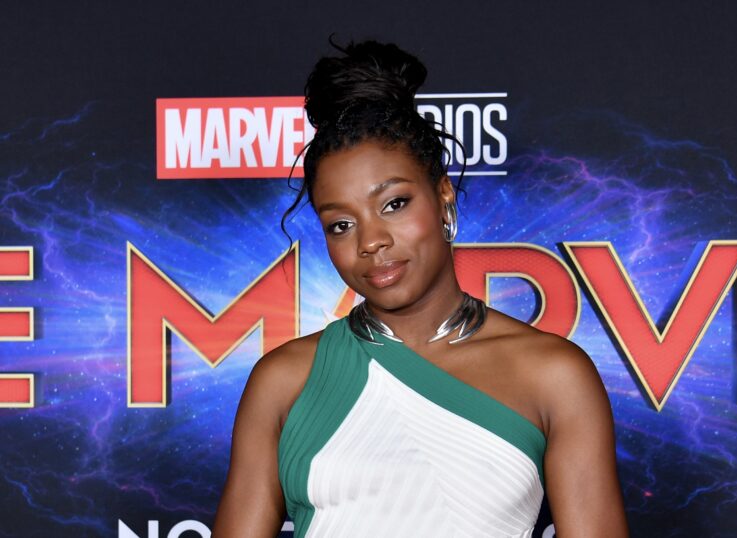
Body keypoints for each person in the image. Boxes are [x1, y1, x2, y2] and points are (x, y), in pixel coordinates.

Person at [213, 39, 629, 538]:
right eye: (341, 224)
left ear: (444, 199)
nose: (371, 241)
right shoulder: (282, 381)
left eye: (394, 204)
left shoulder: (554, 375)